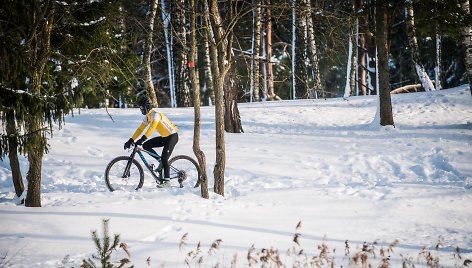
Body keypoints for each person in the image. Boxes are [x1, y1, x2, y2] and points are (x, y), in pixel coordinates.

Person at [124, 98, 179, 187]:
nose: (141, 110)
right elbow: (140, 129)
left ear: (147, 107)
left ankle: (167, 182)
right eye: (140, 108)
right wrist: (131, 140)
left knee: (165, 158)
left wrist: (142, 139)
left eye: (142, 108)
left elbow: (152, 128)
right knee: (146, 145)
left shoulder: (155, 115)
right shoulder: (148, 116)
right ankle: (160, 161)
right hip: (165, 137)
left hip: (172, 136)